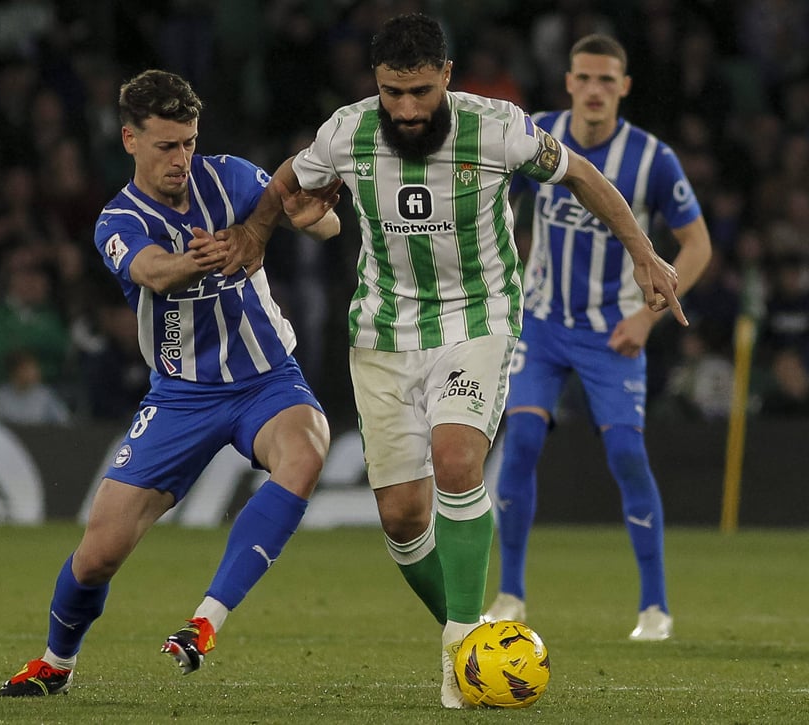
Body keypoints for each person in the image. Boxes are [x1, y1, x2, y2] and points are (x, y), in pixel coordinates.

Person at [219, 13, 685, 709]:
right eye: (391, 94)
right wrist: (256, 228)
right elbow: (292, 174)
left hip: (479, 316)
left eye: (418, 92)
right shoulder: (349, 130)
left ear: (445, 76)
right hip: (383, 332)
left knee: (459, 459)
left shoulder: (496, 126)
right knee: (404, 517)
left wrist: (643, 254)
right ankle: (467, 642)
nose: (405, 109)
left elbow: (581, 174)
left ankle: (463, 652)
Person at [0, 69, 339, 697]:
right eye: (165, 146)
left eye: (188, 142)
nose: (181, 158)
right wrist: (196, 261)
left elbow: (312, 220)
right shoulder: (117, 220)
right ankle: (55, 662)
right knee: (98, 554)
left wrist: (314, 218)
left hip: (267, 379)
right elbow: (152, 272)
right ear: (129, 139)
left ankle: (204, 623)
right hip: (180, 396)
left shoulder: (231, 176)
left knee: (307, 448)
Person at [483, 34, 713, 641]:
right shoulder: (539, 139)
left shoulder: (651, 159)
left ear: (624, 88)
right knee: (523, 439)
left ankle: (655, 607)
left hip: (613, 332)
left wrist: (649, 316)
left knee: (627, 456)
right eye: (584, 78)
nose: (594, 90)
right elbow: (498, 200)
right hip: (541, 321)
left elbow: (698, 245)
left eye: (606, 80)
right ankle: (509, 594)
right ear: (568, 82)